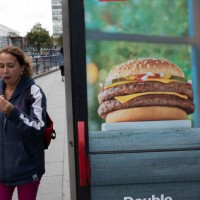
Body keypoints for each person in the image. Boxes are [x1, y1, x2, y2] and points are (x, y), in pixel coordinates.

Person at [0, 46, 47, 200]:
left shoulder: (33, 91)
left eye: (10, 66)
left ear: (21, 67)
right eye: (1, 66)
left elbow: (39, 127)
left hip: (28, 169)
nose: (5, 71)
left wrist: (13, 112)